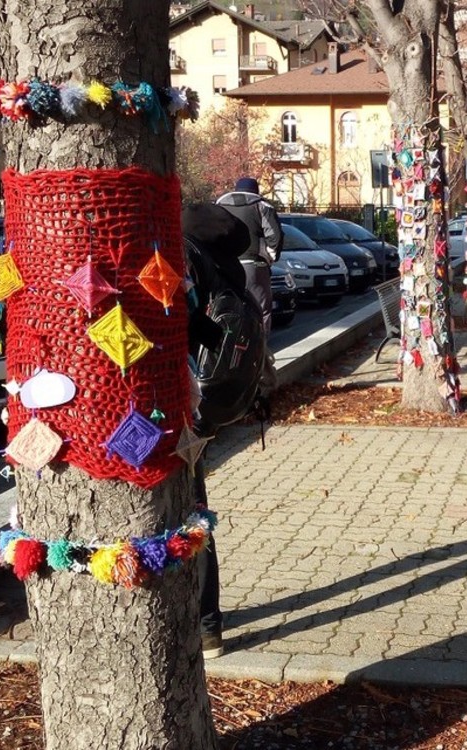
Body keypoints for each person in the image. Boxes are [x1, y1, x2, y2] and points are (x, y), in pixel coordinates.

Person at [182, 202, 257, 660]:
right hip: (208, 405)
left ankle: (205, 625)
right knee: (196, 511)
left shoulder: (187, 257)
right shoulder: (228, 266)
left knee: (188, 510)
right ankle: (209, 625)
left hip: (179, 402)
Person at [215, 177, 283, 336]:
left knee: (228, 307)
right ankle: (260, 351)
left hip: (225, 266)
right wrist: (271, 257)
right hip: (254, 264)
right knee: (261, 309)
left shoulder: (219, 206)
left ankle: (230, 348)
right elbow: (275, 237)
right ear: (256, 191)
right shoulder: (262, 207)